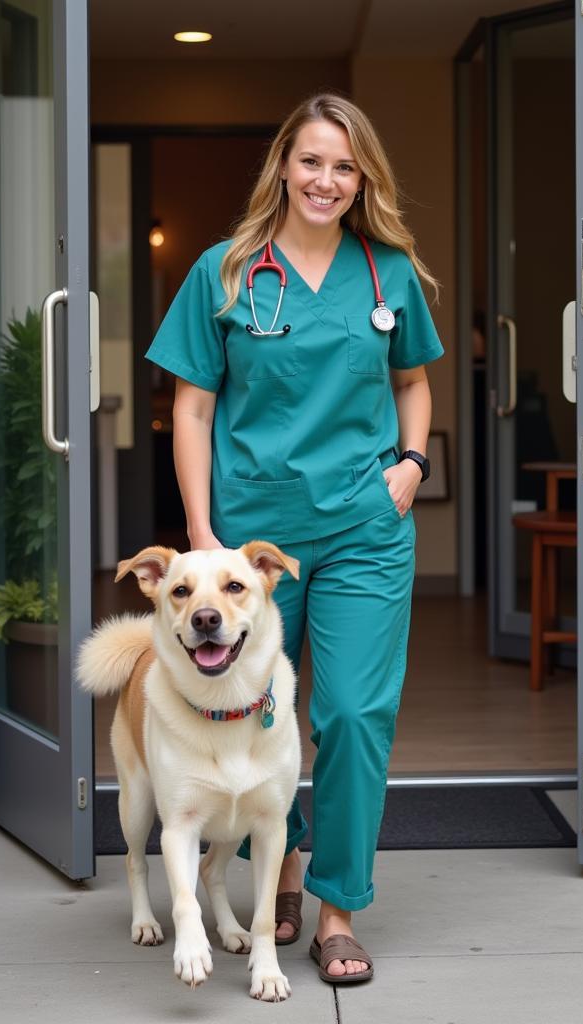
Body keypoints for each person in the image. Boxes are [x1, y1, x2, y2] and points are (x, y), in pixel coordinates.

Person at [145, 93, 443, 985]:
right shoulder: (226, 272)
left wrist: (412, 465)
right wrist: (204, 537)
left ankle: (336, 905)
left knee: (351, 713)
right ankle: (273, 870)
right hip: (250, 547)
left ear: (364, 180)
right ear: (284, 165)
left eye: (345, 167)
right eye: (312, 161)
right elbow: (190, 407)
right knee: (247, 712)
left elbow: (415, 385)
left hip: (362, 528)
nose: (327, 180)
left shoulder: (388, 272)